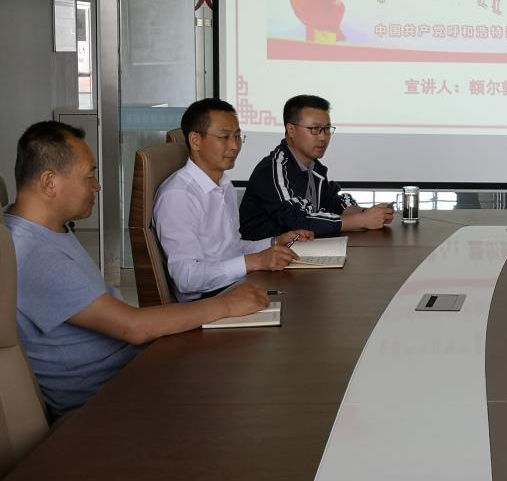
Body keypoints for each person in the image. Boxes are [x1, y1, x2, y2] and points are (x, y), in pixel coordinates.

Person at [4, 121, 270, 417]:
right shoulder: (32, 252)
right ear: (49, 182)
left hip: (132, 368)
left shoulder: (37, 227)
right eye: (89, 176)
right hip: (108, 396)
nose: (97, 186)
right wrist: (225, 305)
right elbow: (132, 327)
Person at [153, 98, 312, 302]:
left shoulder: (223, 184)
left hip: (231, 286)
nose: (235, 146)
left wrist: (275, 242)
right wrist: (255, 261)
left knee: (305, 292)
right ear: (195, 141)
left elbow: (231, 249)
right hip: (206, 301)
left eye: (237, 136)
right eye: (224, 137)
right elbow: (187, 278)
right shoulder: (178, 196)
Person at [239, 94, 394, 241]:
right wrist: (362, 220)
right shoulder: (274, 170)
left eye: (327, 129)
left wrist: (368, 213)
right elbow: (298, 219)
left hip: (300, 248)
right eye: (315, 129)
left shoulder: (314, 167)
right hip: (265, 254)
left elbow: (333, 203)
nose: (323, 137)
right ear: (291, 130)